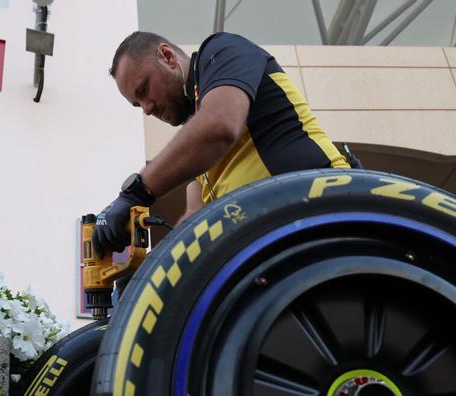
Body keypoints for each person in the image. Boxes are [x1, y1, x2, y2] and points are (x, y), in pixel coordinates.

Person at [91, 31, 349, 254]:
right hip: (278, 234)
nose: (146, 109)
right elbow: (194, 223)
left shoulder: (222, 51)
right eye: (137, 105)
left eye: (144, 90)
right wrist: (147, 274)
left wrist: (136, 192)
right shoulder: (200, 150)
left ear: (167, 57)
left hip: (326, 206)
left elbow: (219, 126)